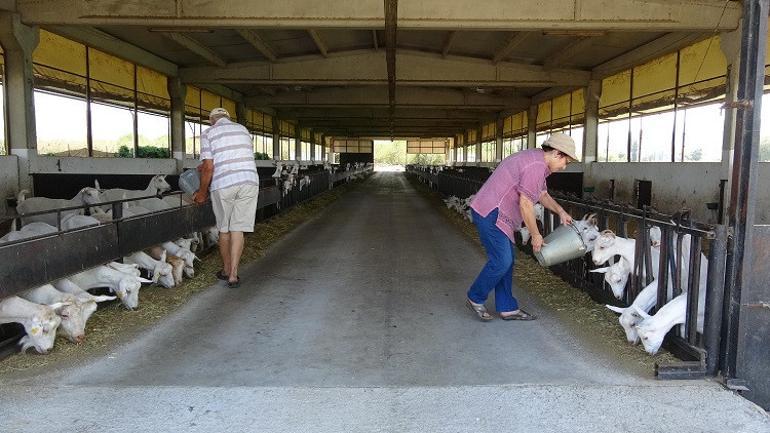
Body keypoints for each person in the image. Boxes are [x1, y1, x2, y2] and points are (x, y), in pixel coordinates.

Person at [465, 132, 579, 321]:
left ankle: (507, 307)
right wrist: (535, 234)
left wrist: (560, 211)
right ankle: (475, 297)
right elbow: (526, 203)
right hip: (492, 212)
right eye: (565, 161)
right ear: (557, 153)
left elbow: (541, 194)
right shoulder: (536, 165)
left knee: (506, 260)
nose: (564, 166)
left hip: (497, 213)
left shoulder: (537, 161)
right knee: (502, 260)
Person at [193, 107, 259, 288]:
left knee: (224, 229)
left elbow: (208, 167)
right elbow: (236, 155)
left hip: (224, 184)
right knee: (238, 228)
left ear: (211, 120)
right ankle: (234, 275)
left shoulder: (208, 133)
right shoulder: (243, 130)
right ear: (228, 118)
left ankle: (226, 270)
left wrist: (201, 193)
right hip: (249, 180)